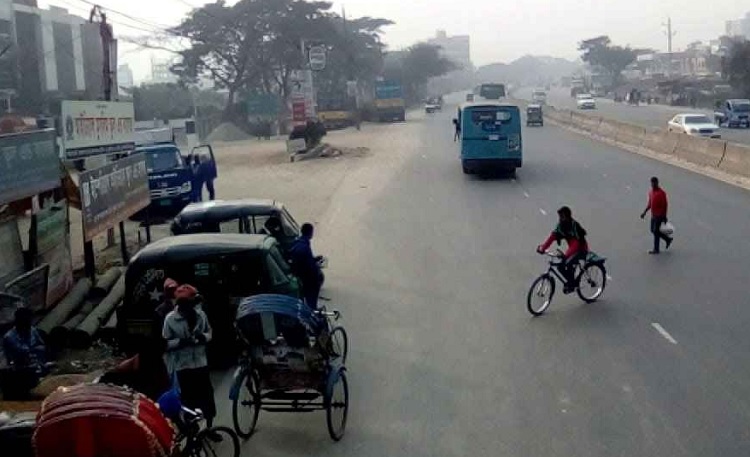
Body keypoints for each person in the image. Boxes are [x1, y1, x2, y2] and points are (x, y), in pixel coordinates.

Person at [162, 285, 216, 426]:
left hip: (200, 363)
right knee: (188, 401)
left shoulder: (201, 315)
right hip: (183, 366)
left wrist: (203, 337)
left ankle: (210, 427)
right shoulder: (170, 320)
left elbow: (209, 332)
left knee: (207, 398)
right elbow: (165, 343)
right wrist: (181, 342)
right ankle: (193, 429)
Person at [98, 336, 170, 401]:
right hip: (151, 390)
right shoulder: (160, 364)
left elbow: (121, 367)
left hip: (145, 391)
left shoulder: (142, 357)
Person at [537, 206, 589, 294]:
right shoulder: (560, 225)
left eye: (562, 216)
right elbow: (552, 236)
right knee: (561, 266)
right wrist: (543, 248)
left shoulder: (574, 225)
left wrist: (566, 255)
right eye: (560, 216)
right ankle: (571, 281)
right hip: (572, 249)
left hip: (581, 249)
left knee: (564, 264)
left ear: (568, 217)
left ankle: (572, 284)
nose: (560, 218)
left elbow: (577, 243)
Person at [2, 307, 47, 399]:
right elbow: (21, 352)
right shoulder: (10, 337)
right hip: (17, 369)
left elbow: (42, 346)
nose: (28, 323)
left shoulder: (32, 331)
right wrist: (34, 350)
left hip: (34, 365)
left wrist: (35, 351)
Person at [289, 223, 325, 309]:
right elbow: (310, 266)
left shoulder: (297, 242)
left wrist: (315, 259)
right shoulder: (305, 247)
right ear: (310, 233)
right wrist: (316, 267)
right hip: (307, 278)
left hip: (299, 275)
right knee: (312, 296)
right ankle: (312, 311)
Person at [641, 176, 673, 254]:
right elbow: (650, 203)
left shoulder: (662, 193)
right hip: (653, 215)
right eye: (652, 183)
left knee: (655, 231)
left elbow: (665, 205)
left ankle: (656, 249)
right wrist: (644, 212)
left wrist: (665, 216)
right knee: (653, 230)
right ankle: (668, 239)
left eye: (654, 183)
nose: (653, 184)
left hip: (659, 216)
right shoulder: (651, 192)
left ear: (657, 183)